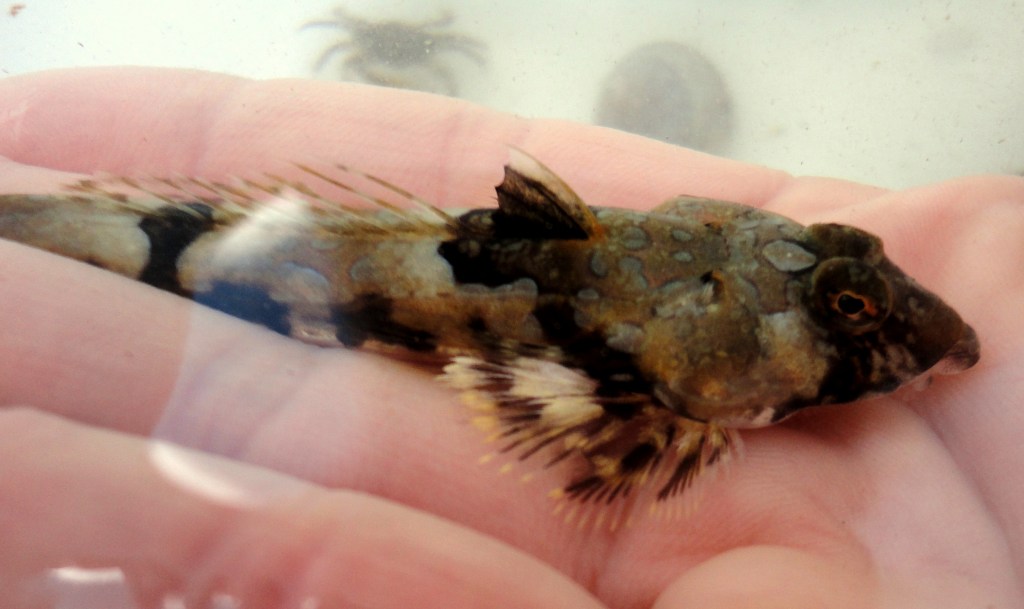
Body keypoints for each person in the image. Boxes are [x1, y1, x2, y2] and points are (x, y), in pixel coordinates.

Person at [0, 67, 1021, 609]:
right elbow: (578, 436)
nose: (878, 324)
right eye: (843, 307)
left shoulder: (677, 324)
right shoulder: (659, 366)